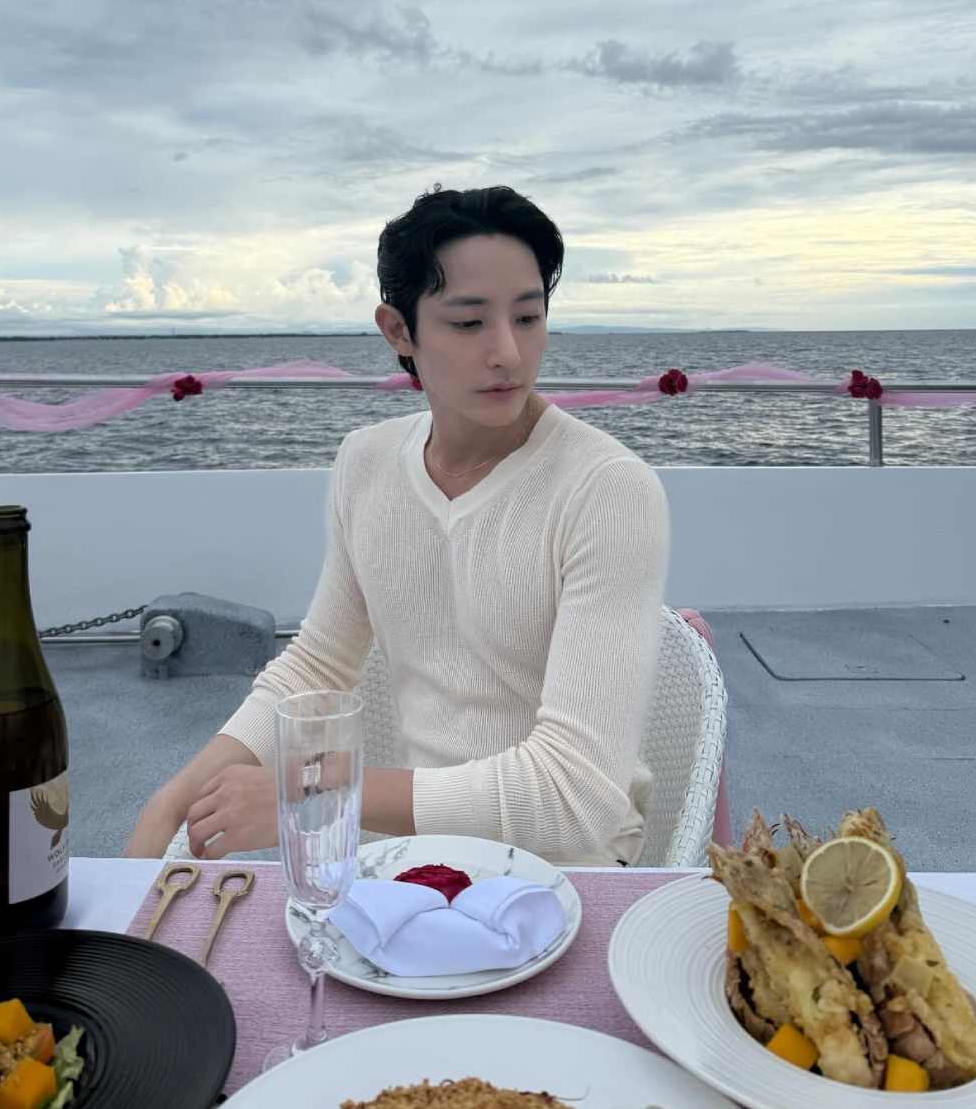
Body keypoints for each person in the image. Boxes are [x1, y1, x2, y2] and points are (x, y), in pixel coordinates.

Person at [126, 185, 669, 866]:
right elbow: (316, 666)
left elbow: (574, 799)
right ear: (399, 331)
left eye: (528, 317)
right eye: (468, 323)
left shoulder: (607, 489)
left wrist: (319, 786)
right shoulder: (368, 462)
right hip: (409, 855)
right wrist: (173, 800)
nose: (508, 352)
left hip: (569, 869)